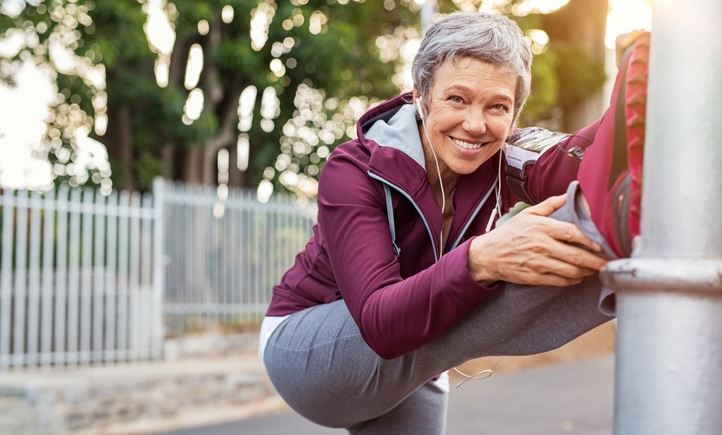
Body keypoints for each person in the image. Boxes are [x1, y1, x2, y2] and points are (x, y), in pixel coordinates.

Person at [259, 11, 648, 434]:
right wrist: (480, 259)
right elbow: (380, 322)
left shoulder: (503, 158)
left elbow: (573, 163)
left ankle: (640, 228)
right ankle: (626, 233)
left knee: (572, 210)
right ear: (422, 98)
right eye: (457, 99)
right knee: (514, 257)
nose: (476, 124)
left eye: (497, 106)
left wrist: (644, 97)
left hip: (420, 360)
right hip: (309, 351)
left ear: (514, 114)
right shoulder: (355, 168)